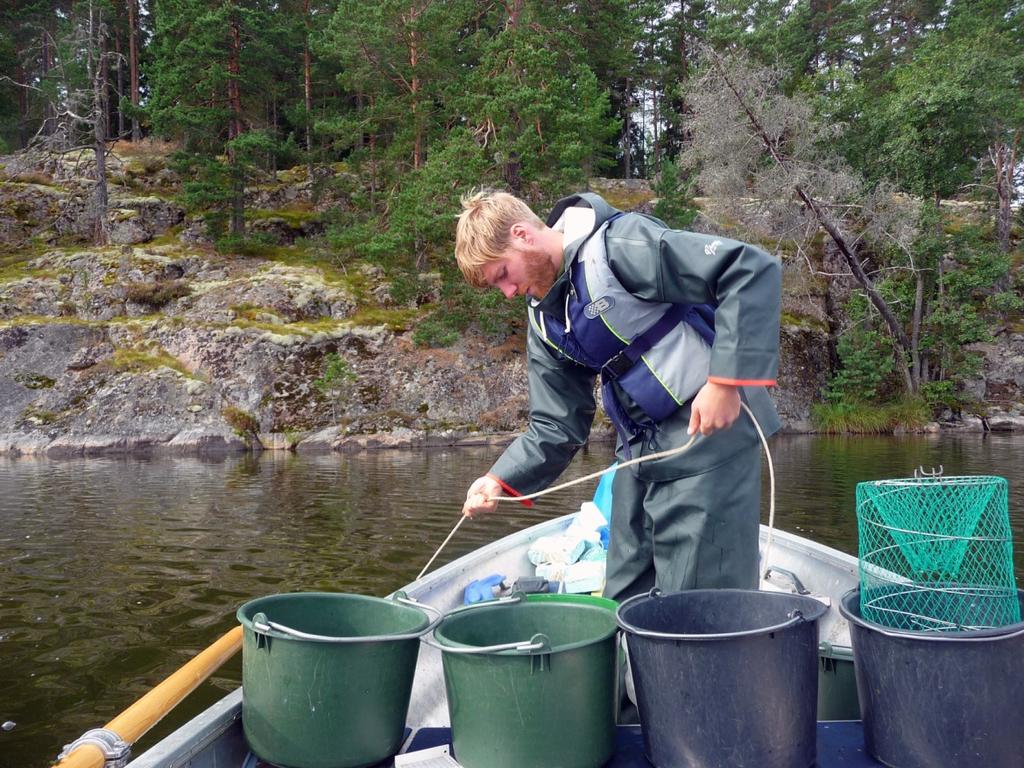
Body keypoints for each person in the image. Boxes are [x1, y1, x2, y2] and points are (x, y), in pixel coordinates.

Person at [454, 189, 781, 601]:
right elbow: (556, 424)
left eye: (502, 273)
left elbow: (747, 268)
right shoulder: (544, 320)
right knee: (624, 594)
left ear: (522, 235)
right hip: (640, 452)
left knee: (697, 601)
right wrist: (497, 479)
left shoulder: (621, 245)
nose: (507, 292)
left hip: (711, 434)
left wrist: (725, 382)